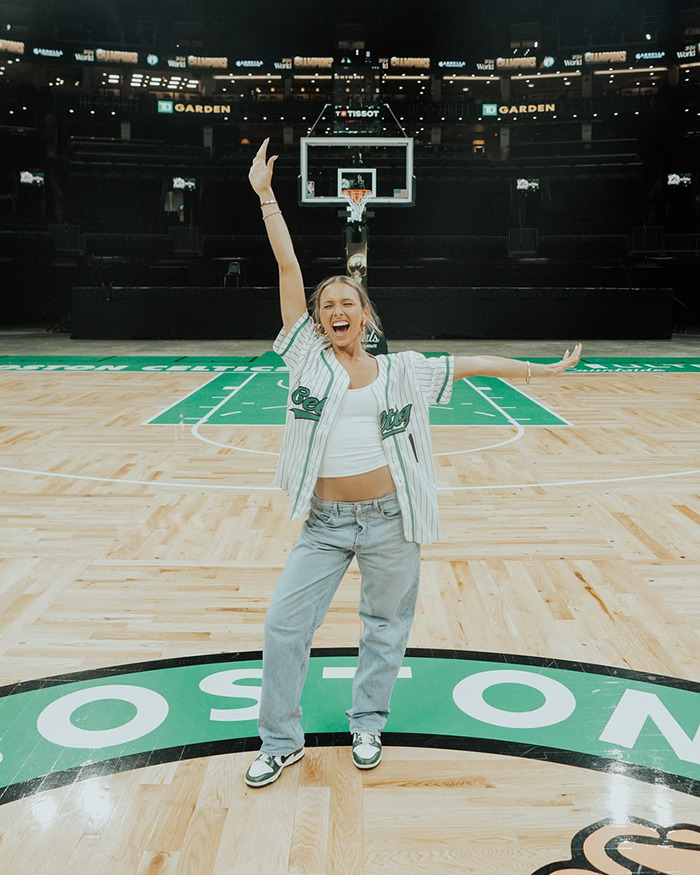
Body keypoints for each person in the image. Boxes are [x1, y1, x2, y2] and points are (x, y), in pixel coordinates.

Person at [244, 139, 582, 788]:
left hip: (390, 520)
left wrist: (544, 368)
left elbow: (477, 362)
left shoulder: (406, 371)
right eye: (327, 305)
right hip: (322, 522)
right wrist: (265, 196)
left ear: (364, 315)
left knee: (385, 625)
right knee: (283, 624)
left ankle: (367, 720)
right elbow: (288, 266)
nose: (337, 309)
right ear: (316, 321)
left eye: (347, 302)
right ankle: (279, 741)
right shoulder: (304, 359)